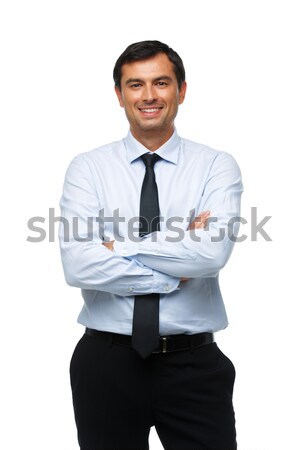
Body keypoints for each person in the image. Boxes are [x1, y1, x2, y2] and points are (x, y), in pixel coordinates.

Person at [59, 40, 243, 450]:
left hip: (194, 365)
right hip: (106, 363)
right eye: (135, 84)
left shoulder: (216, 166)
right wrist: (177, 264)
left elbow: (211, 253)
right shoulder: (88, 168)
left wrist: (117, 247)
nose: (149, 96)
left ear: (181, 90)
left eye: (161, 83)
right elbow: (78, 265)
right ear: (119, 94)